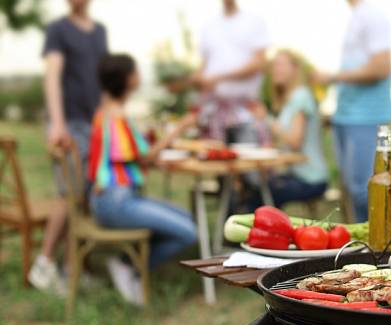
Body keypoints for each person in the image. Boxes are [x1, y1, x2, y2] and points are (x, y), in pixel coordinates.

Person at [88, 54, 197, 305]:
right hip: (115, 203)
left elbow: (133, 157)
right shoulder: (115, 116)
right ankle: (127, 266)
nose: (139, 76)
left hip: (119, 197)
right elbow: (145, 158)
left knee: (189, 219)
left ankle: (131, 262)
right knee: (189, 233)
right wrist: (179, 129)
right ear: (127, 79)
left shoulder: (108, 112)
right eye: (136, 72)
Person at [29, 0, 108, 295]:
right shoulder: (58, 29)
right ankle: (44, 263)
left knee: (83, 199)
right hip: (70, 125)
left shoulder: (99, 31)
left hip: (94, 125)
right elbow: (52, 77)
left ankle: (72, 268)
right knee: (68, 195)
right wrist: (57, 123)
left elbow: (102, 82)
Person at [314, 0, 391, 222]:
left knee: (367, 193)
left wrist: (331, 77)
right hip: (347, 118)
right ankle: (368, 253)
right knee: (354, 194)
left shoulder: (372, 15)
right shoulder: (356, 16)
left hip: (366, 118)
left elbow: (381, 67)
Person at [249, 50, 328, 208]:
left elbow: (294, 142)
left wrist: (266, 119)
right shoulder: (290, 99)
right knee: (254, 190)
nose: (276, 70)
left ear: (295, 69)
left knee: (256, 196)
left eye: (281, 65)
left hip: (311, 179)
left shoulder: (301, 97)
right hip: (296, 175)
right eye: (274, 66)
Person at [192, 0, 270, 144]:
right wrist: (198, 79)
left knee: (247, 162)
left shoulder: (254, 21)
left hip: (245, 112)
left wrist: (218, 78)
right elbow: (202, 67)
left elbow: (258, 63)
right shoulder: (208, 26)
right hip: (213, 111)